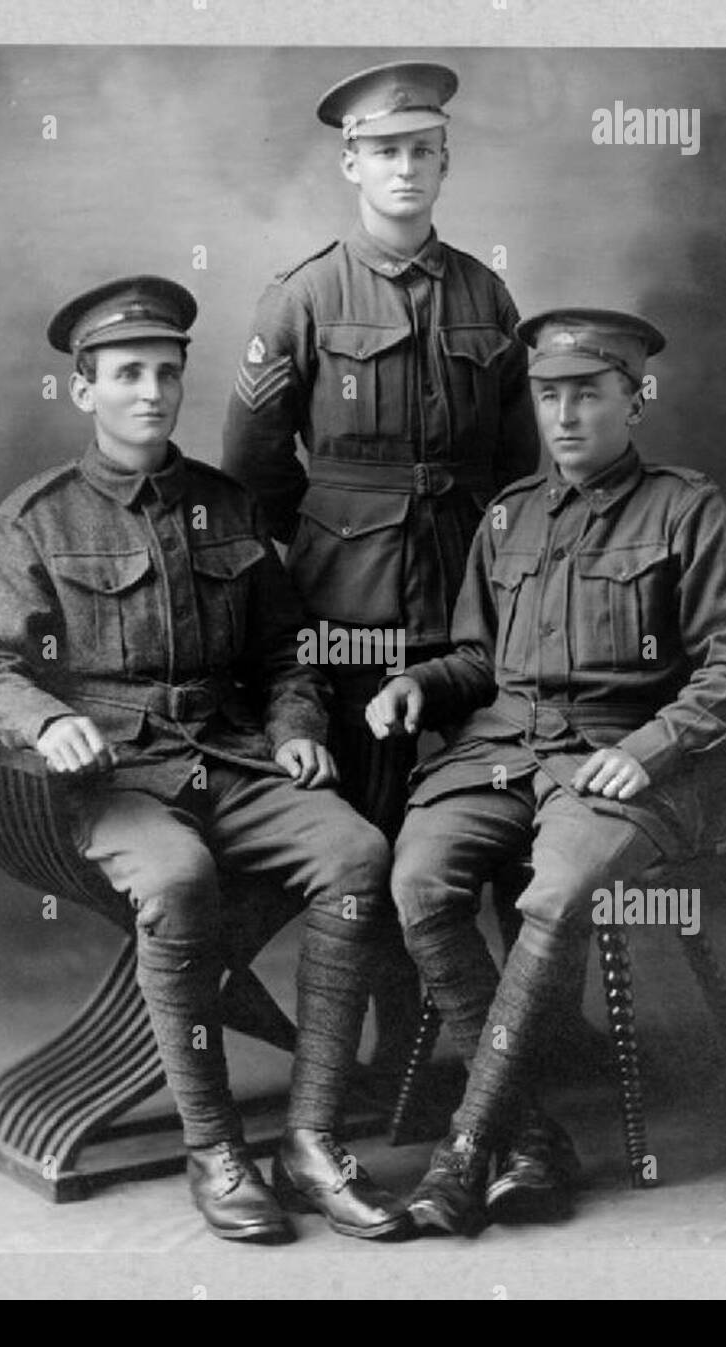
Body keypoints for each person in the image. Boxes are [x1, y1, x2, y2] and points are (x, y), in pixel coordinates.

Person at [0, 276, 410, 1243]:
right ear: (84, 391)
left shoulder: (227, 504)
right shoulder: (34, 519)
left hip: (233, 758)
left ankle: (312, 1139)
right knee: (177, 875)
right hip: (111, 778)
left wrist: (296, 729)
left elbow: (284, 653)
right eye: (127, 374)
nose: (151, 392)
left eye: (166, 372)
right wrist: (42, 722)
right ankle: (216, 1147)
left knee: (359, 854)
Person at [367, 308, 726, 1233]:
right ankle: (531, 1136)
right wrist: (416, 684)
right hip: (500, 752)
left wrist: (648, 751)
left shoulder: (685, 506)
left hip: (616, 762)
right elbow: (476, 658)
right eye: (548, 396)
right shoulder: (507, 515)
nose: (564, 416)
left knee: (553, 897)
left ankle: (468, 1146)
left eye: (587, 394)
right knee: (418, 880)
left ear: (635, 399)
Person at [221, 60, 542, 1077]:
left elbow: (515, 459)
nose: (404, 168)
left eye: (422, 150)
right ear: (350, 163)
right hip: (344, 595)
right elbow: (252, 475)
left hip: (462, 585)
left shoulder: (484, 291)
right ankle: (371, 1048)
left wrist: (488, 569)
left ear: (444, 161)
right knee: (367, 814)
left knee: (480, 797)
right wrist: (323, 557)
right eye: (384, 151)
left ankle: (492, 1035)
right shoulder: (305, 295)